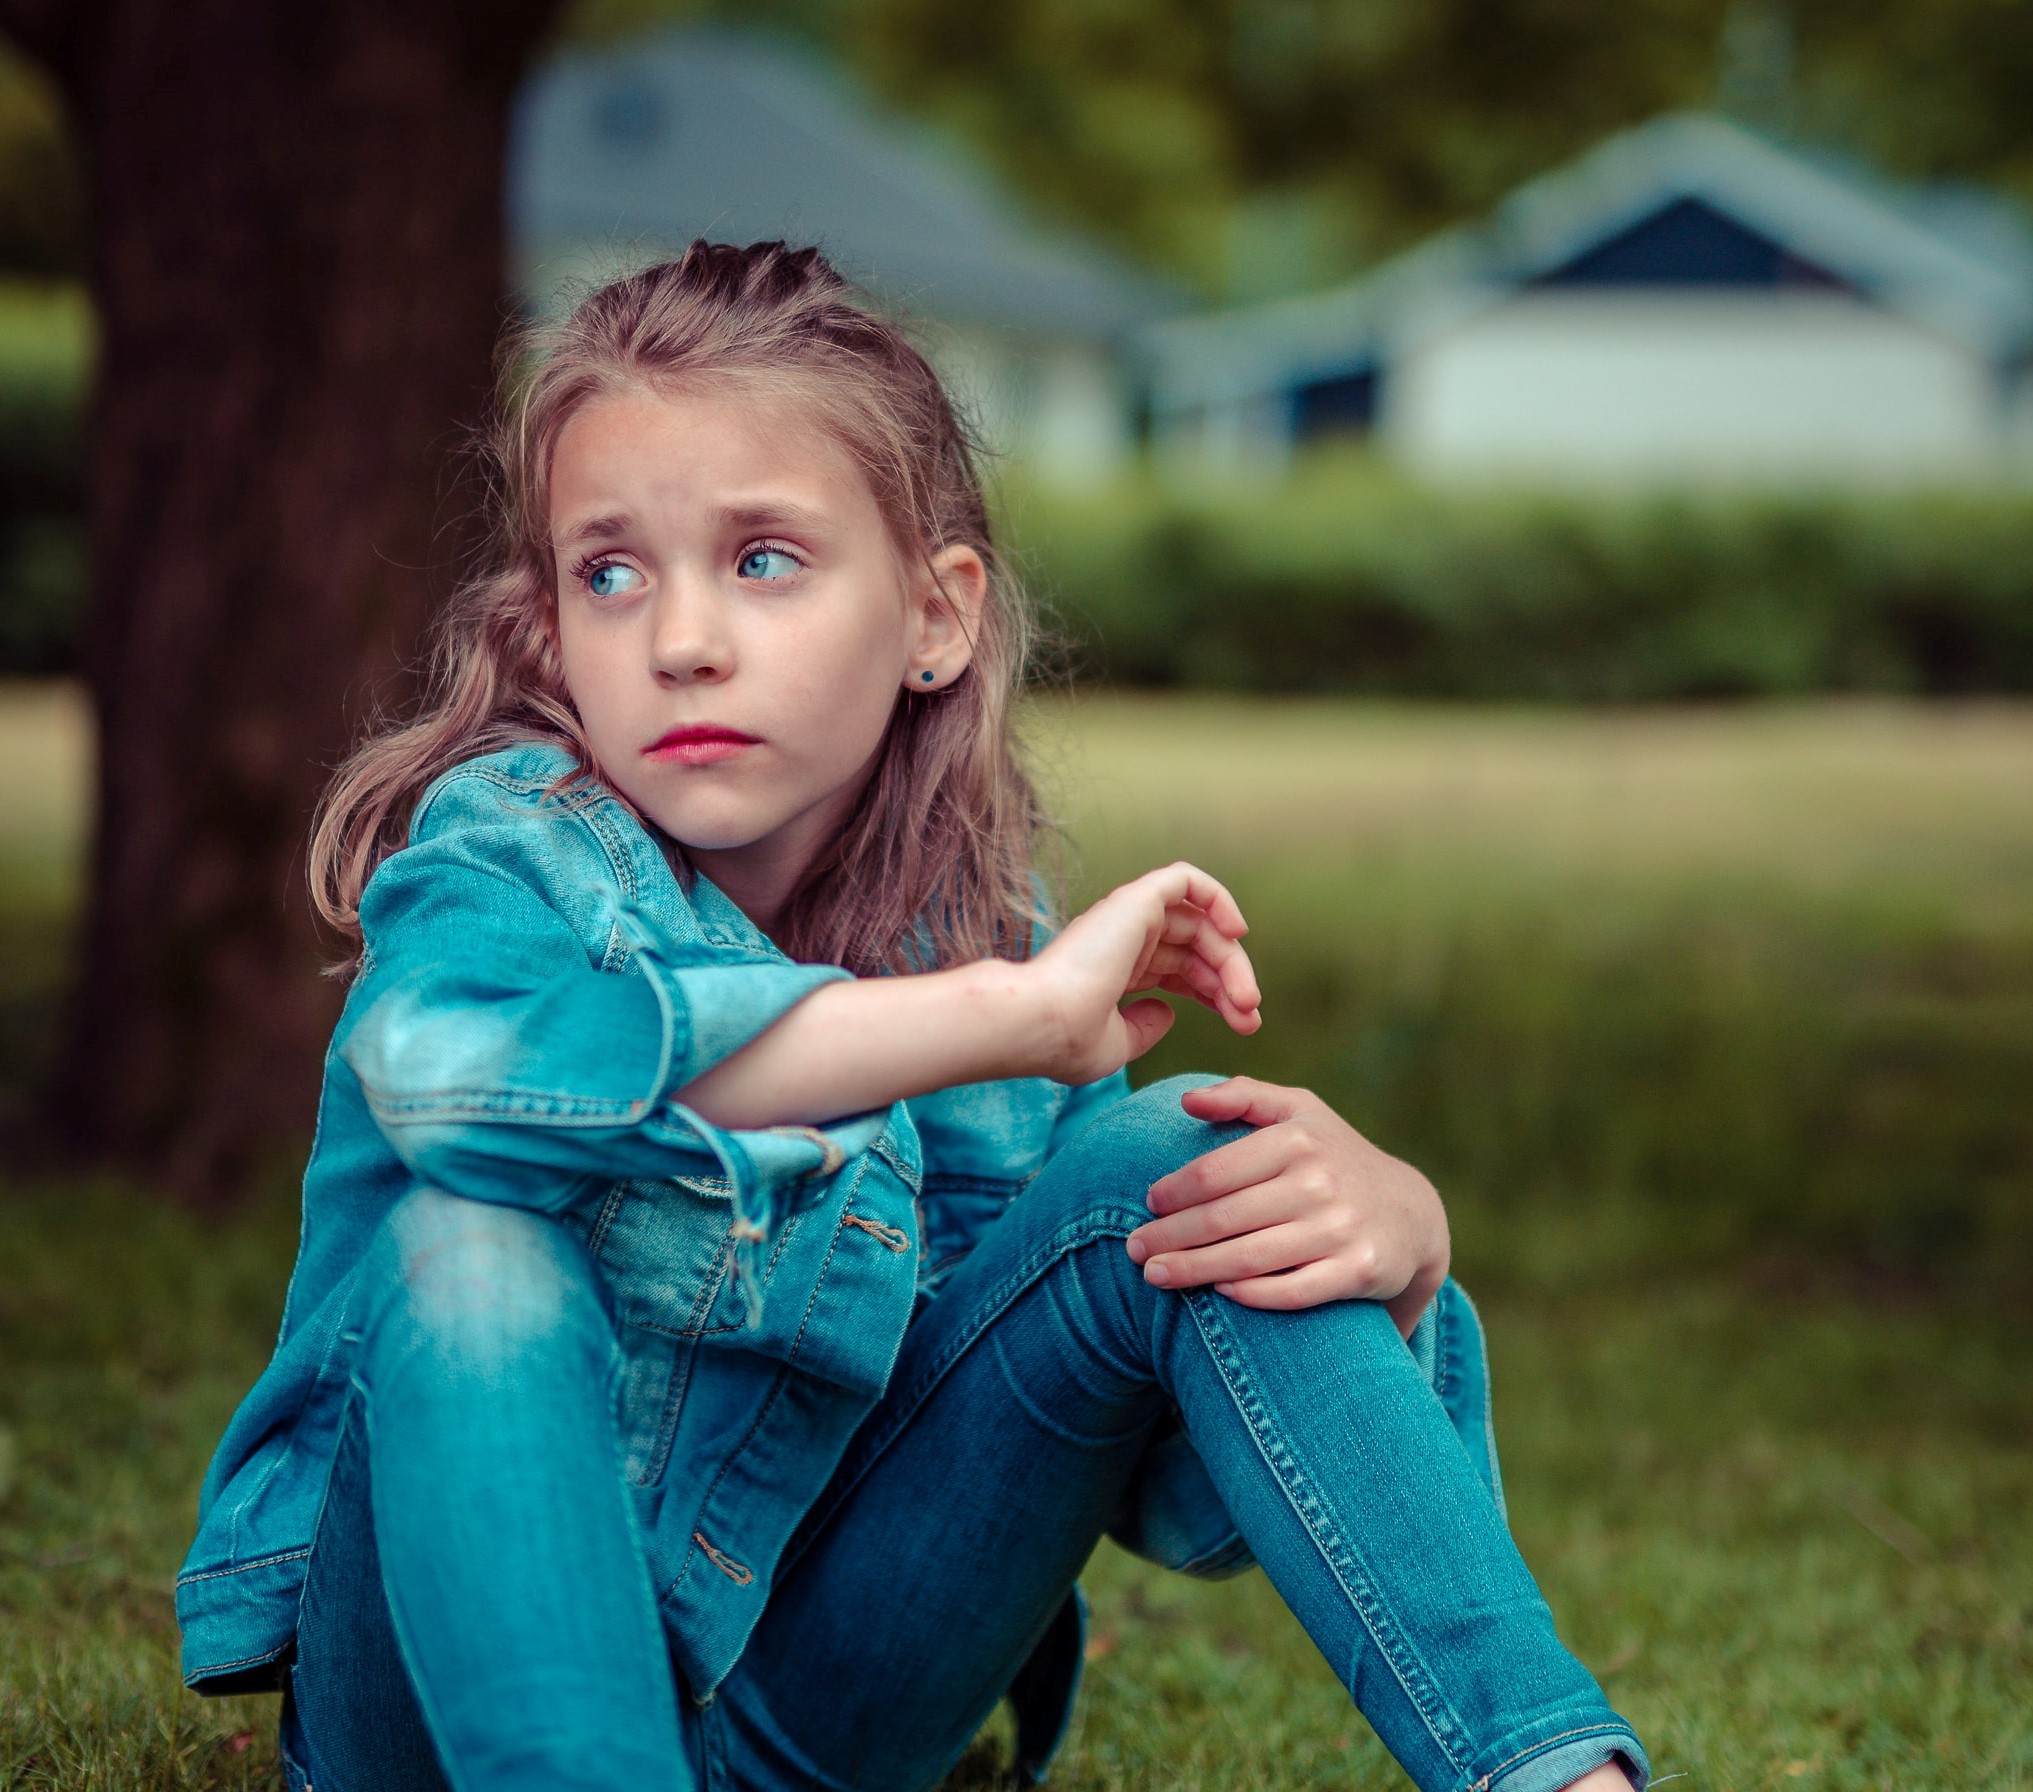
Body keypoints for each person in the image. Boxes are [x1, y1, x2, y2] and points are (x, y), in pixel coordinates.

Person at [175, 240, 1649, 1792]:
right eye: (610, 571)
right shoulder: (506, 855)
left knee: (1184, 1157)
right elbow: (451, 1088)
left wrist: (1399, 1253)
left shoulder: (978, 949)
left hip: (817, 1704)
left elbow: (1188, 1506)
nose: (681, 637)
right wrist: (995, 1018)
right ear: (549, 628)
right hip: (432, 1714)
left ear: (934, 617)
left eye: (762, 559)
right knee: (464, 1246)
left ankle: (1555, 1779)